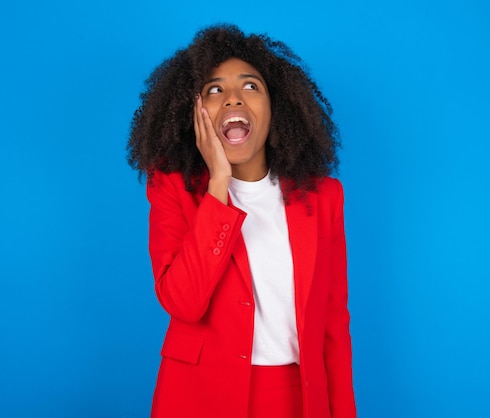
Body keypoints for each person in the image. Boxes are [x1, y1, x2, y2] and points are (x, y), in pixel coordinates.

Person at [126, 24, 356, 418]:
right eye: (214, 91)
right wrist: (218, 182)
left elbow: (334, 325)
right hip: (200, 396)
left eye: (250, 87)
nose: (232, 99)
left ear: (275, 106)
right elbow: (183, 303)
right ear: (195, 111)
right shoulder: (172, 188)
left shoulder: (324, 197)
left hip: (296, 398)